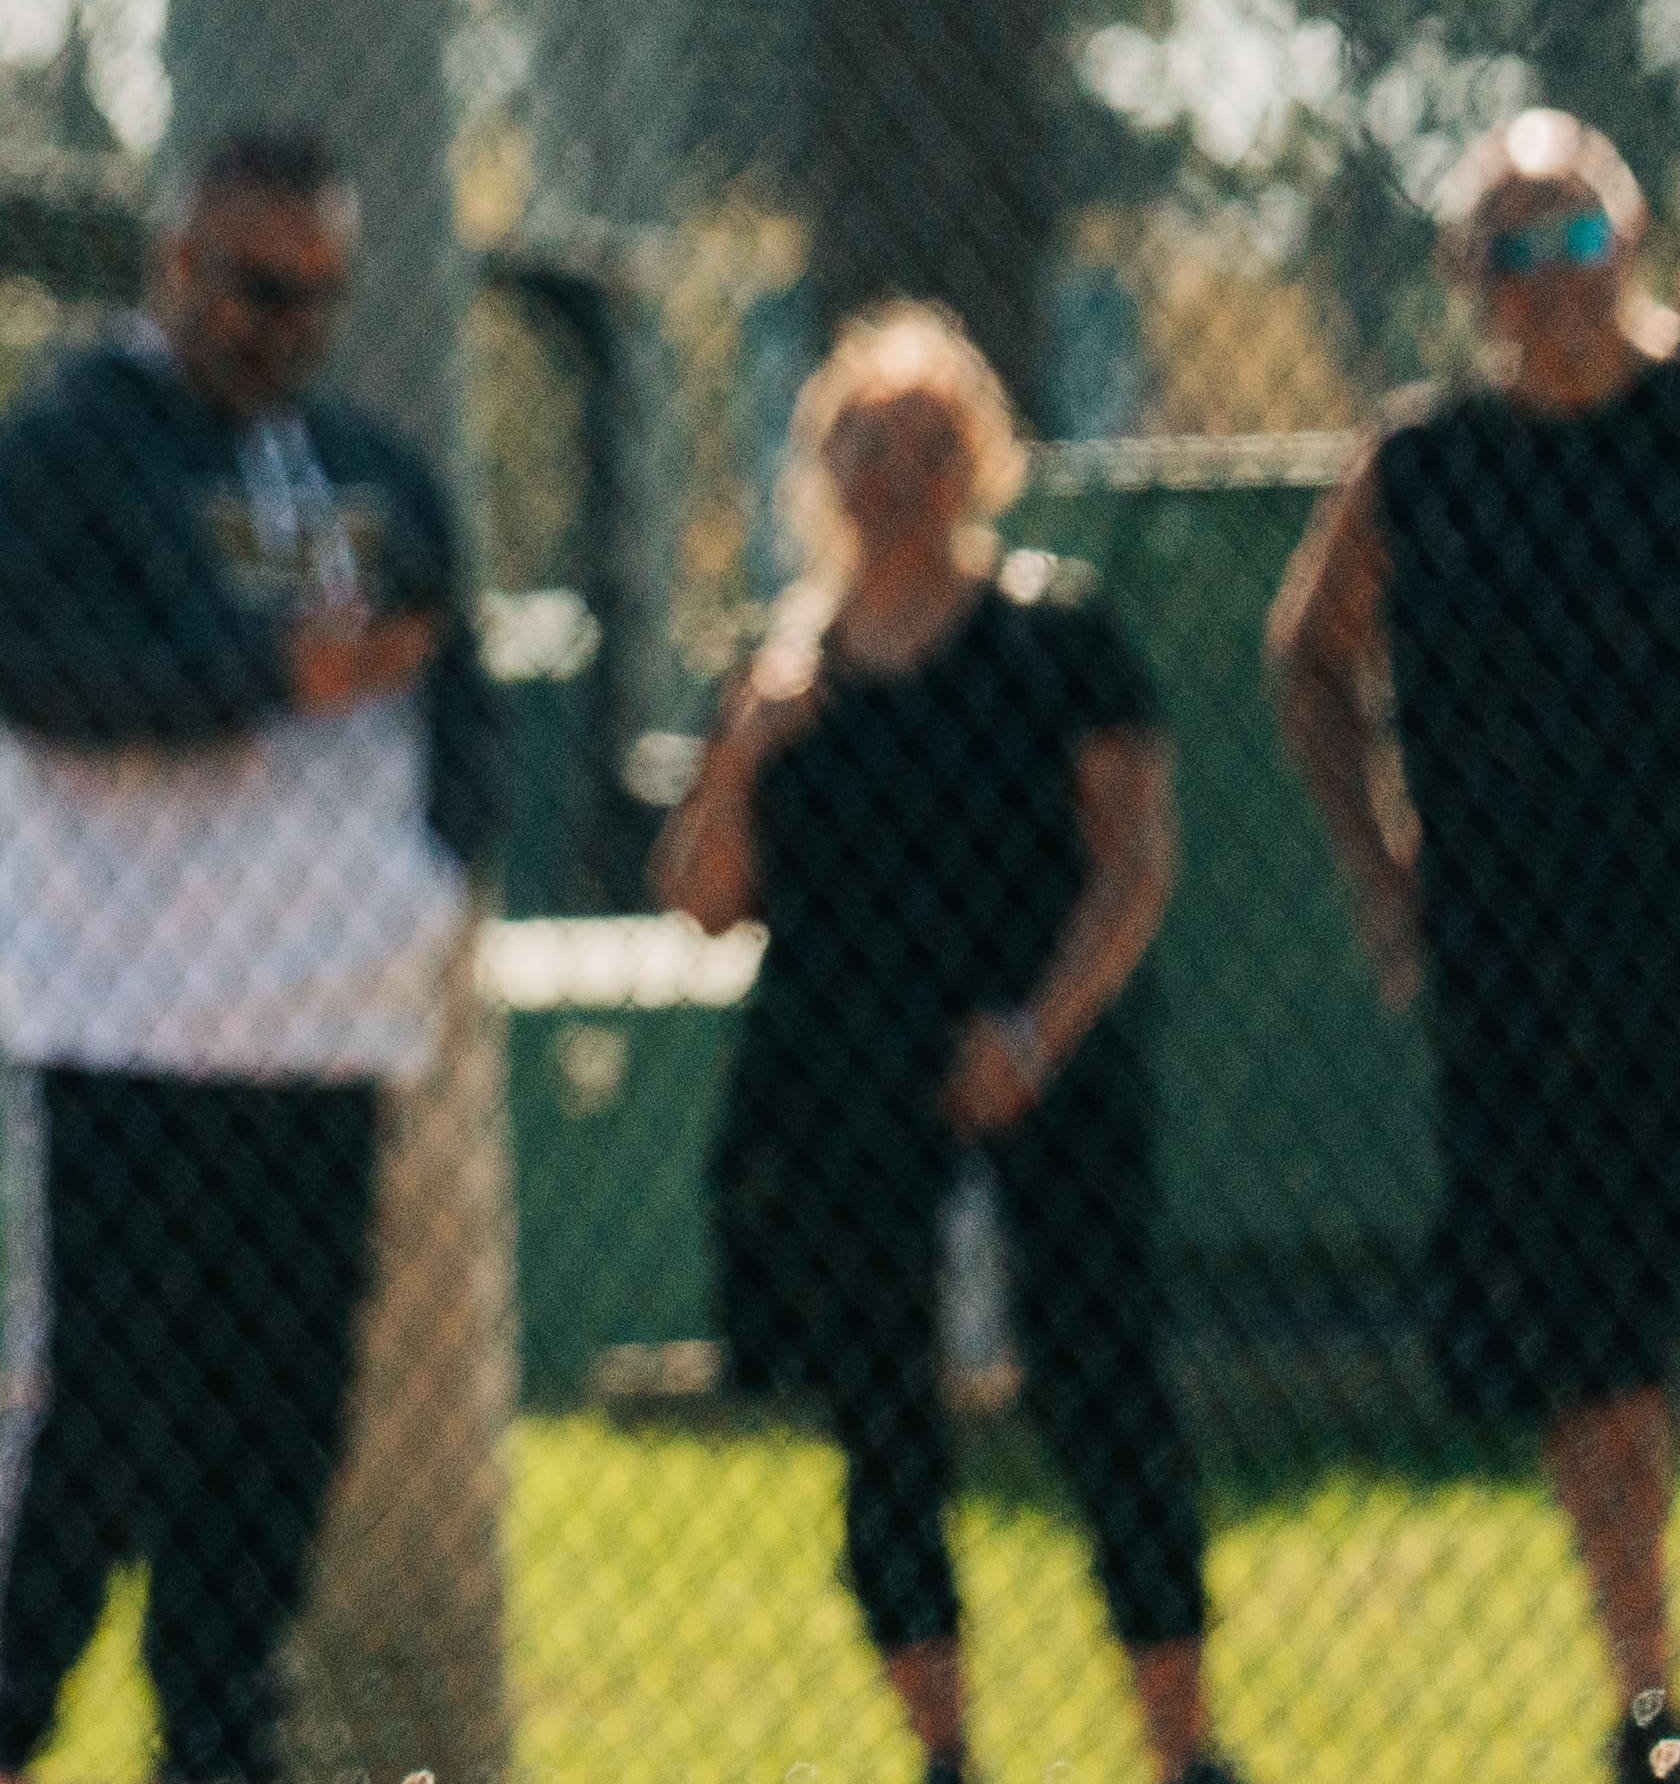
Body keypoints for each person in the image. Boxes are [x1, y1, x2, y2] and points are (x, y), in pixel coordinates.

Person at [0, 128, 496, 1784]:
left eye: (318, 292)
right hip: (122, 1012)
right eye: (255, 286)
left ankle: (217, 1738)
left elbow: (458, 698)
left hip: (324, 1027)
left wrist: (425, 887)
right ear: (174, 263)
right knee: (95, 1402)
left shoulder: (371, 471)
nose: (287, 325)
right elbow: (34, 669)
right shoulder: (59, 452)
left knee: (277, 1420)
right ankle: (5, 1714)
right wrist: (256, 682)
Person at [658, 304, 1231, 1784]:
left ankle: (1184, 1753)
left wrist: (1037, 1033)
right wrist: (742, 750)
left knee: (1109, 1403)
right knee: (881, 1432)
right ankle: (949, 1756)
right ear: (821, 460)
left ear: (979, 458)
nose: (897, 472)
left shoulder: (1059, 634)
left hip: (1045, 1069)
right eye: (866, 439)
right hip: (843, 1094)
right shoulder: (777, 666)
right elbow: (707, 905)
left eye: (930, 443)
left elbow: (1137, 859)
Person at [1272, 108, 1680, 1784]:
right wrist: (1380, 874)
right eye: (1508, 251)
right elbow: (1306, 653)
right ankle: (1648, 1701)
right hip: (1520, 967)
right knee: (1583, 1352)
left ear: (1629, 241)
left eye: (1570, 237)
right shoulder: (1420, 463)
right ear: (1469, 286)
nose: (1549, 278)